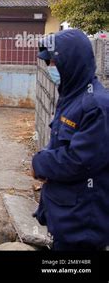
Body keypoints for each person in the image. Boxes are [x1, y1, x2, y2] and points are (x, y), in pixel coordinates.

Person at [31, 29, 109, 251]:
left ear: (72, 62)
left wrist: (40, 164)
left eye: (54, 62)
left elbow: (79, 161)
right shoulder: (72, 97)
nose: (51, 68)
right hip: (66, 218)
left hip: (83, 226)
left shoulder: (97, 106)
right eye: (49, 63)